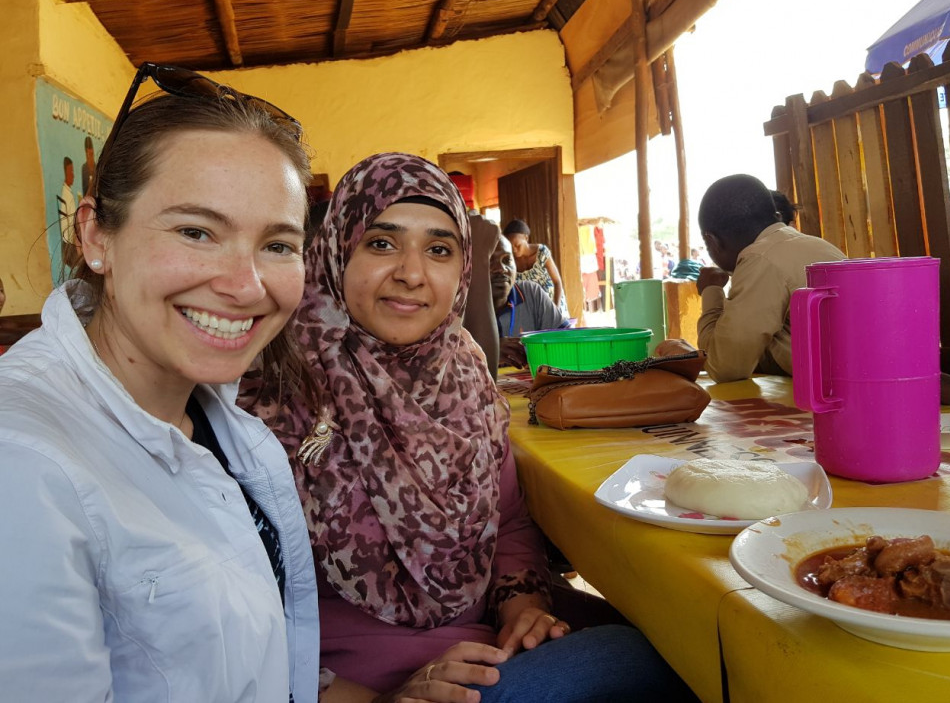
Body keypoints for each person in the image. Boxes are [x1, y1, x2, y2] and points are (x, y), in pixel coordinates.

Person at [240, 152, 693, 703]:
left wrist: (522, 605)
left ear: (461, 268)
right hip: (345, 684)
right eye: (381, 243)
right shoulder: (270, 386)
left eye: (438, 249)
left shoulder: (464, 373)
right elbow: (223, 625)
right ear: (336, 250)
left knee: (675, 640)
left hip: (485, 648)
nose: (411, 273)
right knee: (635, 658)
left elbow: (506, 523)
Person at [0, 63, 320, 701]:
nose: (245, 285)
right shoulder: (23, 464)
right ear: (96, 236)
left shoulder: (227, 425)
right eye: (196, 232)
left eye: (278, 245)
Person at [659, 174, 845, 383]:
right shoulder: (818, 244)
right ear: (775, 215)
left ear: (712, 241)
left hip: (834, 391)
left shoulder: (760, 259)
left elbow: (725, 367)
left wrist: (711, 290)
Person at [491, 234, 570, 368]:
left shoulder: (532, 294)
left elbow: (566, 345)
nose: (501, 269)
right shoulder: (459, 305)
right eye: (489, 261)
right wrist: (488, 352)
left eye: (507, 260)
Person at [501, 219, 569, 317]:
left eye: (517, 245)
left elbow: (557, 282)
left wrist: (556, 308)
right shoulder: (510, 262)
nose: (514, 250)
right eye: (511, 247)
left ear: (526, 238)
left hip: (554, 303)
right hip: (533, 310)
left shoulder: (541, 253)